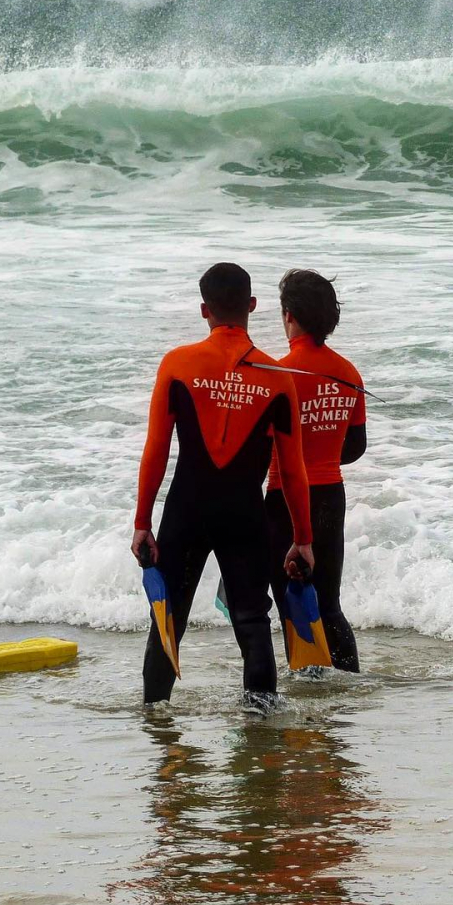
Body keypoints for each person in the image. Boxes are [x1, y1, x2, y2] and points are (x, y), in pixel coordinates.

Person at [131, 262, 314, 706]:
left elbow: (155, 450)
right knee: (252, 623)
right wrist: (303, 540)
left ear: (203, 310)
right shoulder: (278, 377)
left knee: (168, 620)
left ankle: (157, 725)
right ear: (252, 306)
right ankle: (261, 730)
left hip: (186, 510)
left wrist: (142, 522)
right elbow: (292, 470)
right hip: (243, 513)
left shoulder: (176, 365)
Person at [264, 270, 367, 672]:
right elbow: (355, 447)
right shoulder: (349, 372)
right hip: (330, 496)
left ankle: (307, 687)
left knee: (292, 602)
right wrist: (320, 457)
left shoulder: (278, 373)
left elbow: (259, 450)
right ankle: (347, 684)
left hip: (284, 500)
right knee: (329, 604)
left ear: (289, 315)